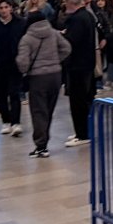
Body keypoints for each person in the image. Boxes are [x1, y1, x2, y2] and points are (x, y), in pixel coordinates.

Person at [16, 9, 72, 158]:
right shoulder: (54, 33)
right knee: (49, 109)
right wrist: (55, 61)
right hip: (55, 76)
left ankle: (41, 146)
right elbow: (67, 48)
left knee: (39, 111)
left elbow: (22, 63)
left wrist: (26, 69)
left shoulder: (27, 39)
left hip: (37, 78)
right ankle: (44, 141)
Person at [58, 0, 98, 147]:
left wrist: (62, 35)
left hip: (78, 65)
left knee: (78, 101)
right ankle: (82, 131)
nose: (64, 4)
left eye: (66, 1)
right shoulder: (86, 15)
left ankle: (82, 134)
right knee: (83, 100)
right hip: (86, 63)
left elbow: (71, 41)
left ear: (71, 2)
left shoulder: (77, 19)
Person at [0, 0, 27, 135]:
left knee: (14, 93)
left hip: (15, 64)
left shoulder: (20, 23)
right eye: (1, 8)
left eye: (6, 7)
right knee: (1, 95)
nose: (4, 10)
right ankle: (6, 121)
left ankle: (16, 122)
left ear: (11, 8)